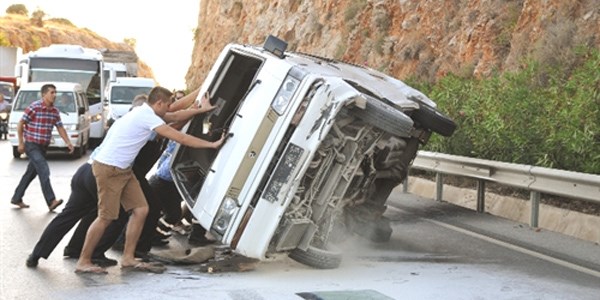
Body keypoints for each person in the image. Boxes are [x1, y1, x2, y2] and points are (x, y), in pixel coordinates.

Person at [26, 91, 211, 268]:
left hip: (87, 170)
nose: (168, 109)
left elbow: (172, 111)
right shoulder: (147, 124)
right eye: (165, 105)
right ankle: (97, 254)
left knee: (71, 215)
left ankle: (42, 253)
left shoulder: (130, 119)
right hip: (110, 173)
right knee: (116, 215)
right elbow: (175, 122)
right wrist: (200, 111)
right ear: (155, 106)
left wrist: (198, 96)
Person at [75, 86, 224, 274]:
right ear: (159, 103)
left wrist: (200, 109)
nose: (170, 108)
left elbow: (176, 116)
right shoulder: (146, 116)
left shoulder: (145, 111)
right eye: (168, 104)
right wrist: (212, 144)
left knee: (142, 209)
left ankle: (128, 258)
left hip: (124, 169)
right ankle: (84, 260)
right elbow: (180, 137)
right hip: (109, 168)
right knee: (106, 217)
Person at [11, 83, 73, 211]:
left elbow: (60, 127)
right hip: (32, 145)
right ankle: (51, 201)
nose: (54, 95)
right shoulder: (34, 107)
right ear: (44, 94)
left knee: (30, 173)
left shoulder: (55, 111)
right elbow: (21, 123)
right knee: (43, 169)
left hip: (43, 147)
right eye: (52, 93)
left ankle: (17, 197)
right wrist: (21, 143)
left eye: (55, 93)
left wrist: (68, 142)